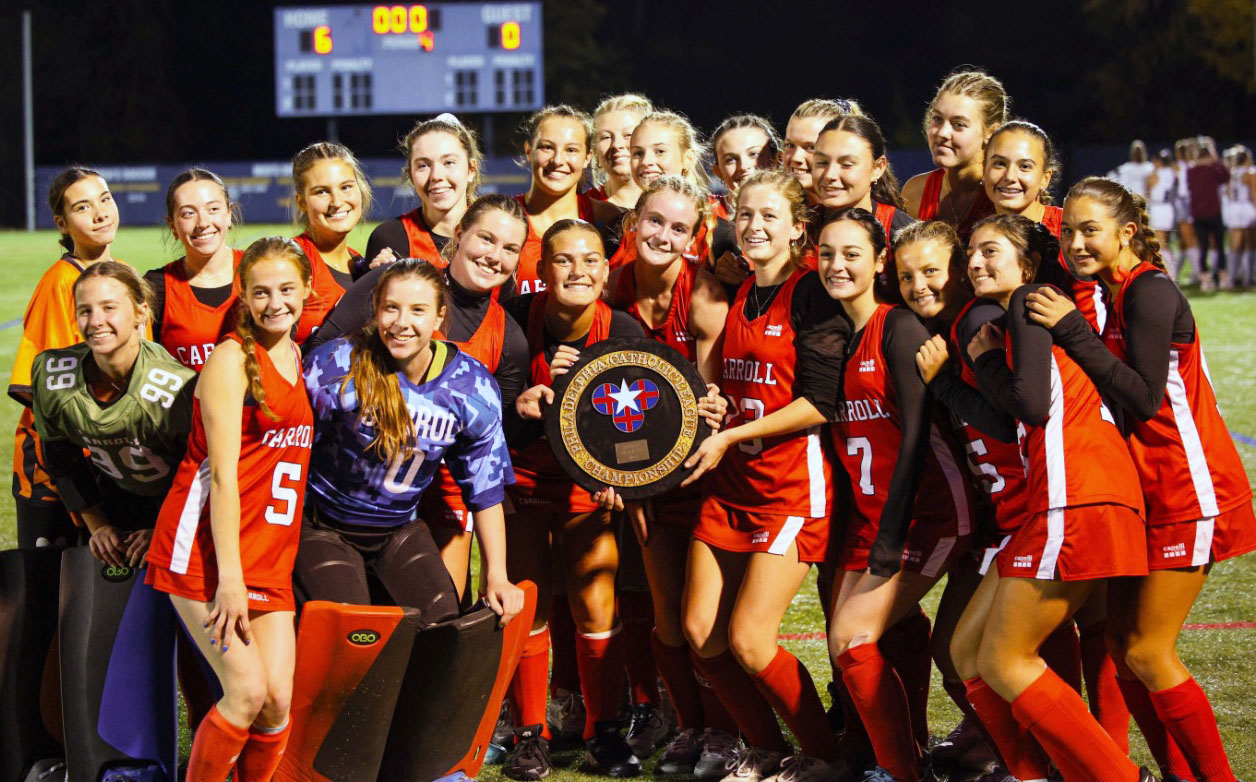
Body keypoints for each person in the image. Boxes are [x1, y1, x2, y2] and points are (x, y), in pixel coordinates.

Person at [1026, 176, 1255, 782]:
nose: (1076, 242)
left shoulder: (1149, 290)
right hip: (1148, 488)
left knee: (1149, 652)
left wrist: (1071, 331)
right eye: (1068, 230)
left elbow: (1146, 398)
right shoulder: (1110, 291)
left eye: (1090, 230)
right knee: (1125, 658)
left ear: (1127, 232)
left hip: (1188, 485)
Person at [958, 214, 1152, 782]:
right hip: (1062, 496)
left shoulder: (1026, 301)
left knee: (1001, 659)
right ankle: (1035, 774)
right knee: (970, 654)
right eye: (970, 251)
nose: (974, 262)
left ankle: (1118, 777)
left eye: (990, 251)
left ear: (1029, 262)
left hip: (1078, 494)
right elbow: (1010, 414)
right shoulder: (1026, 311)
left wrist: (984, 359)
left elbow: (1034, 405)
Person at [681, 170, 849, 782]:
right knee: (702, 633)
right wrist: (716, 405)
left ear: (798, 228)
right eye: (745, 216)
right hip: (732, 485)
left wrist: (731, 434)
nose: (753, 226)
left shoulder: (811, 294)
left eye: (769, 217)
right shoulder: (737, 291)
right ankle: (765, 746)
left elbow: (819, 403)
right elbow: (737, 387)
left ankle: (826, 758)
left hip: (789, 489)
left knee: (751, 640)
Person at [145, 236, 315, 782]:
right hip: (205, 551)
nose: (275, 303)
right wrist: (231, 581)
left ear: (307, 291)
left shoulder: (296, 353)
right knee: (244, 693)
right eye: (260, 292)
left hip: (268, 549)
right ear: (242, 296)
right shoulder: (229, 361)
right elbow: (219, 477)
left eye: (287, 289)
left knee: (277, 703)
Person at [306, 195, 531, 597]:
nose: (403, 323)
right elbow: (285, 441)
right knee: (350, 628)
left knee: (441, 623)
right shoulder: (336, 366)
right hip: (326, 520)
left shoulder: (475, 382)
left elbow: (486, 484)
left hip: (405, 518)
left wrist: (497, 574)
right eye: (392, 309)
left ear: (438, 317)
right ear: (375, 308)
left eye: (510, 248)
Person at [822, 211, 972, 782]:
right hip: (875, 515)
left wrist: (888, 536)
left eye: (852, 254)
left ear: (879, 261)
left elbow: (914, 439)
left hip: (927, 515)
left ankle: (908, 771)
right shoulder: (840, 336)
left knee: (851, 640)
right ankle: (906, 756)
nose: (838, 265)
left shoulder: (899, 327)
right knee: (874, 638)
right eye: (827, 254)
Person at [503, 220, 647, 779]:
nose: (578, 270)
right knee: (529, 602)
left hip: (588, 483)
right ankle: (529, 733)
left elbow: (646, 428)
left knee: (595, 598)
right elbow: (488, 404)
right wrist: (527, 396)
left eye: (591, 260)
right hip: (523, 474)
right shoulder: (515, 321)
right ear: (541, 272)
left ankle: (603, 730)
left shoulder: (626, 331)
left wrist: (622, 477)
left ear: (606, 270)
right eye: (564, 260)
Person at [606, 175, 736, 774]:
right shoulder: (610, 287)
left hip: (702, 470)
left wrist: (656, 472)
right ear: (633, 222)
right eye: (654, 221)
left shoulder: (704, 295)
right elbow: (597, 396)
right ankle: (688, 727)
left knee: (705, 619)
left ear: (695, 236)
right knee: (665, 616)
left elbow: (709, 403)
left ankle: (725, 732)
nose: (664, 235)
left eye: (679, 227)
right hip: (643, 471)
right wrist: (626, 477)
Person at [33, 262, 196, 567]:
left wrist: (167, 528)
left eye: (109, 308)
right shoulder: (53, 376)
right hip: (110, 495)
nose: (96, 321)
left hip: (179, 505)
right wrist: (98, 525)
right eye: (85, 310)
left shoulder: (176, 387)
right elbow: (61, 460)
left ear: (140, 312)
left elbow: (201, 472)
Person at [10, 167, 121, 549]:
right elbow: (44, 395)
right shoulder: (61, 283)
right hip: (54, 478)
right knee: (47, 599)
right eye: (83, 207)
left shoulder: (119, 278)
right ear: (62, 222)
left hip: (105, 463)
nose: (100, 213)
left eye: (105, 199)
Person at [514, 105, 625, 295]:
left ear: (587, 157)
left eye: (571, 150)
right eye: (547, 147)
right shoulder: (502, 218)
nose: (557, 160)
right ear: (528, 151)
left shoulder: (610, 221)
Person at [146, 169, 242, 372]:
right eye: (188, 213)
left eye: (213, 209)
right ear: (172, 225)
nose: (203, 223)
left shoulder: (259, 269)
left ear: (229, 214)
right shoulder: (156, 286)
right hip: (185, 404)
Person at [363, 114, 483, 275]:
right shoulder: (390, 239)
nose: (436, 175)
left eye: (449, 162)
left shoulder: (495, 233)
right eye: (423, 165)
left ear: (471, 170)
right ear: (411, 175)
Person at [902, 69, 1006, 242]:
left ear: (991, 132)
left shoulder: (1005, 195)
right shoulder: (915, 192)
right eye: (937, 119)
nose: (942, 132)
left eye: (958, 124)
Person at [290, 141, 372, 343]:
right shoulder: (289, 261)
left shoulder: (363, 265)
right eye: (322, 192)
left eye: (346, 187)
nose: (336, 202)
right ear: (301, 202)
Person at [588, 94, 654, 209]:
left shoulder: (675, 203)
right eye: (606, 137)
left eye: (628, 135)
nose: (616, 145)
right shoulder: (583, 208)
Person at [710, 114, 779, 217]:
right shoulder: (704, 212)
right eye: (730, 160)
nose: (743, 166)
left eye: (754, 154)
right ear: (718, 171)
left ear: (777, 160)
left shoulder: (797, 210)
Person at [1185, 136, 1228, 290]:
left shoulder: (1191, 170)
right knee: (1219, 246)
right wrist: (1217, 161)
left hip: (1198, 213)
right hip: (1214, 211)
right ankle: (1222, 279)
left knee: (1204, 247)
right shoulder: (1212, 170)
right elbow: (1225, 177)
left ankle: (1205, 279)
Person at [1146, 149, 1178, 279]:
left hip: (1158, 208)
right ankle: (1169, 271)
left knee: (1161, 242)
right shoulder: (1174, 173)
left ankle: (1169, 272)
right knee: (1166, 241)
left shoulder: (1153, 175)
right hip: (1169, 208)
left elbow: (1147, 193)